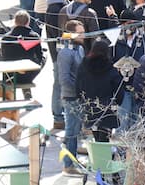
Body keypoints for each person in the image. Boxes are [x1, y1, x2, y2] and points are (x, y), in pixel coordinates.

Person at [76, 40, 123, 142]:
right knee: (105, 137)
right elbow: (118, 87)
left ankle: (97, 155)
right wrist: (118, 101)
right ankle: (104, 156)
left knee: (96, 136)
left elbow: (77, 85)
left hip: (90, 106)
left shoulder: (83, 66)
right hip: (106, 107)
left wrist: (81, 99)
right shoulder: (110, 68)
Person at [57, 19, 86, 175]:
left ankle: (72, 160)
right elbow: (64, 79)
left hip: (78, 95)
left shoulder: (78, 49)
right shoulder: (66, 52)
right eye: (80, 32)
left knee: (75, 130)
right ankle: (68, 164)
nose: (83, 35)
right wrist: (78, 89)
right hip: (71, 97)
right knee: (71, 131)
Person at [0, 10, 46, 85]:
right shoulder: (34, 36)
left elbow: (4, 56)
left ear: (15, 21)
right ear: (28, 22)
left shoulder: (6, 37)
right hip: (28, 75)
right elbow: (39, 56)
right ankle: (27, 89)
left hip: (10, 75)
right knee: (44, 55)